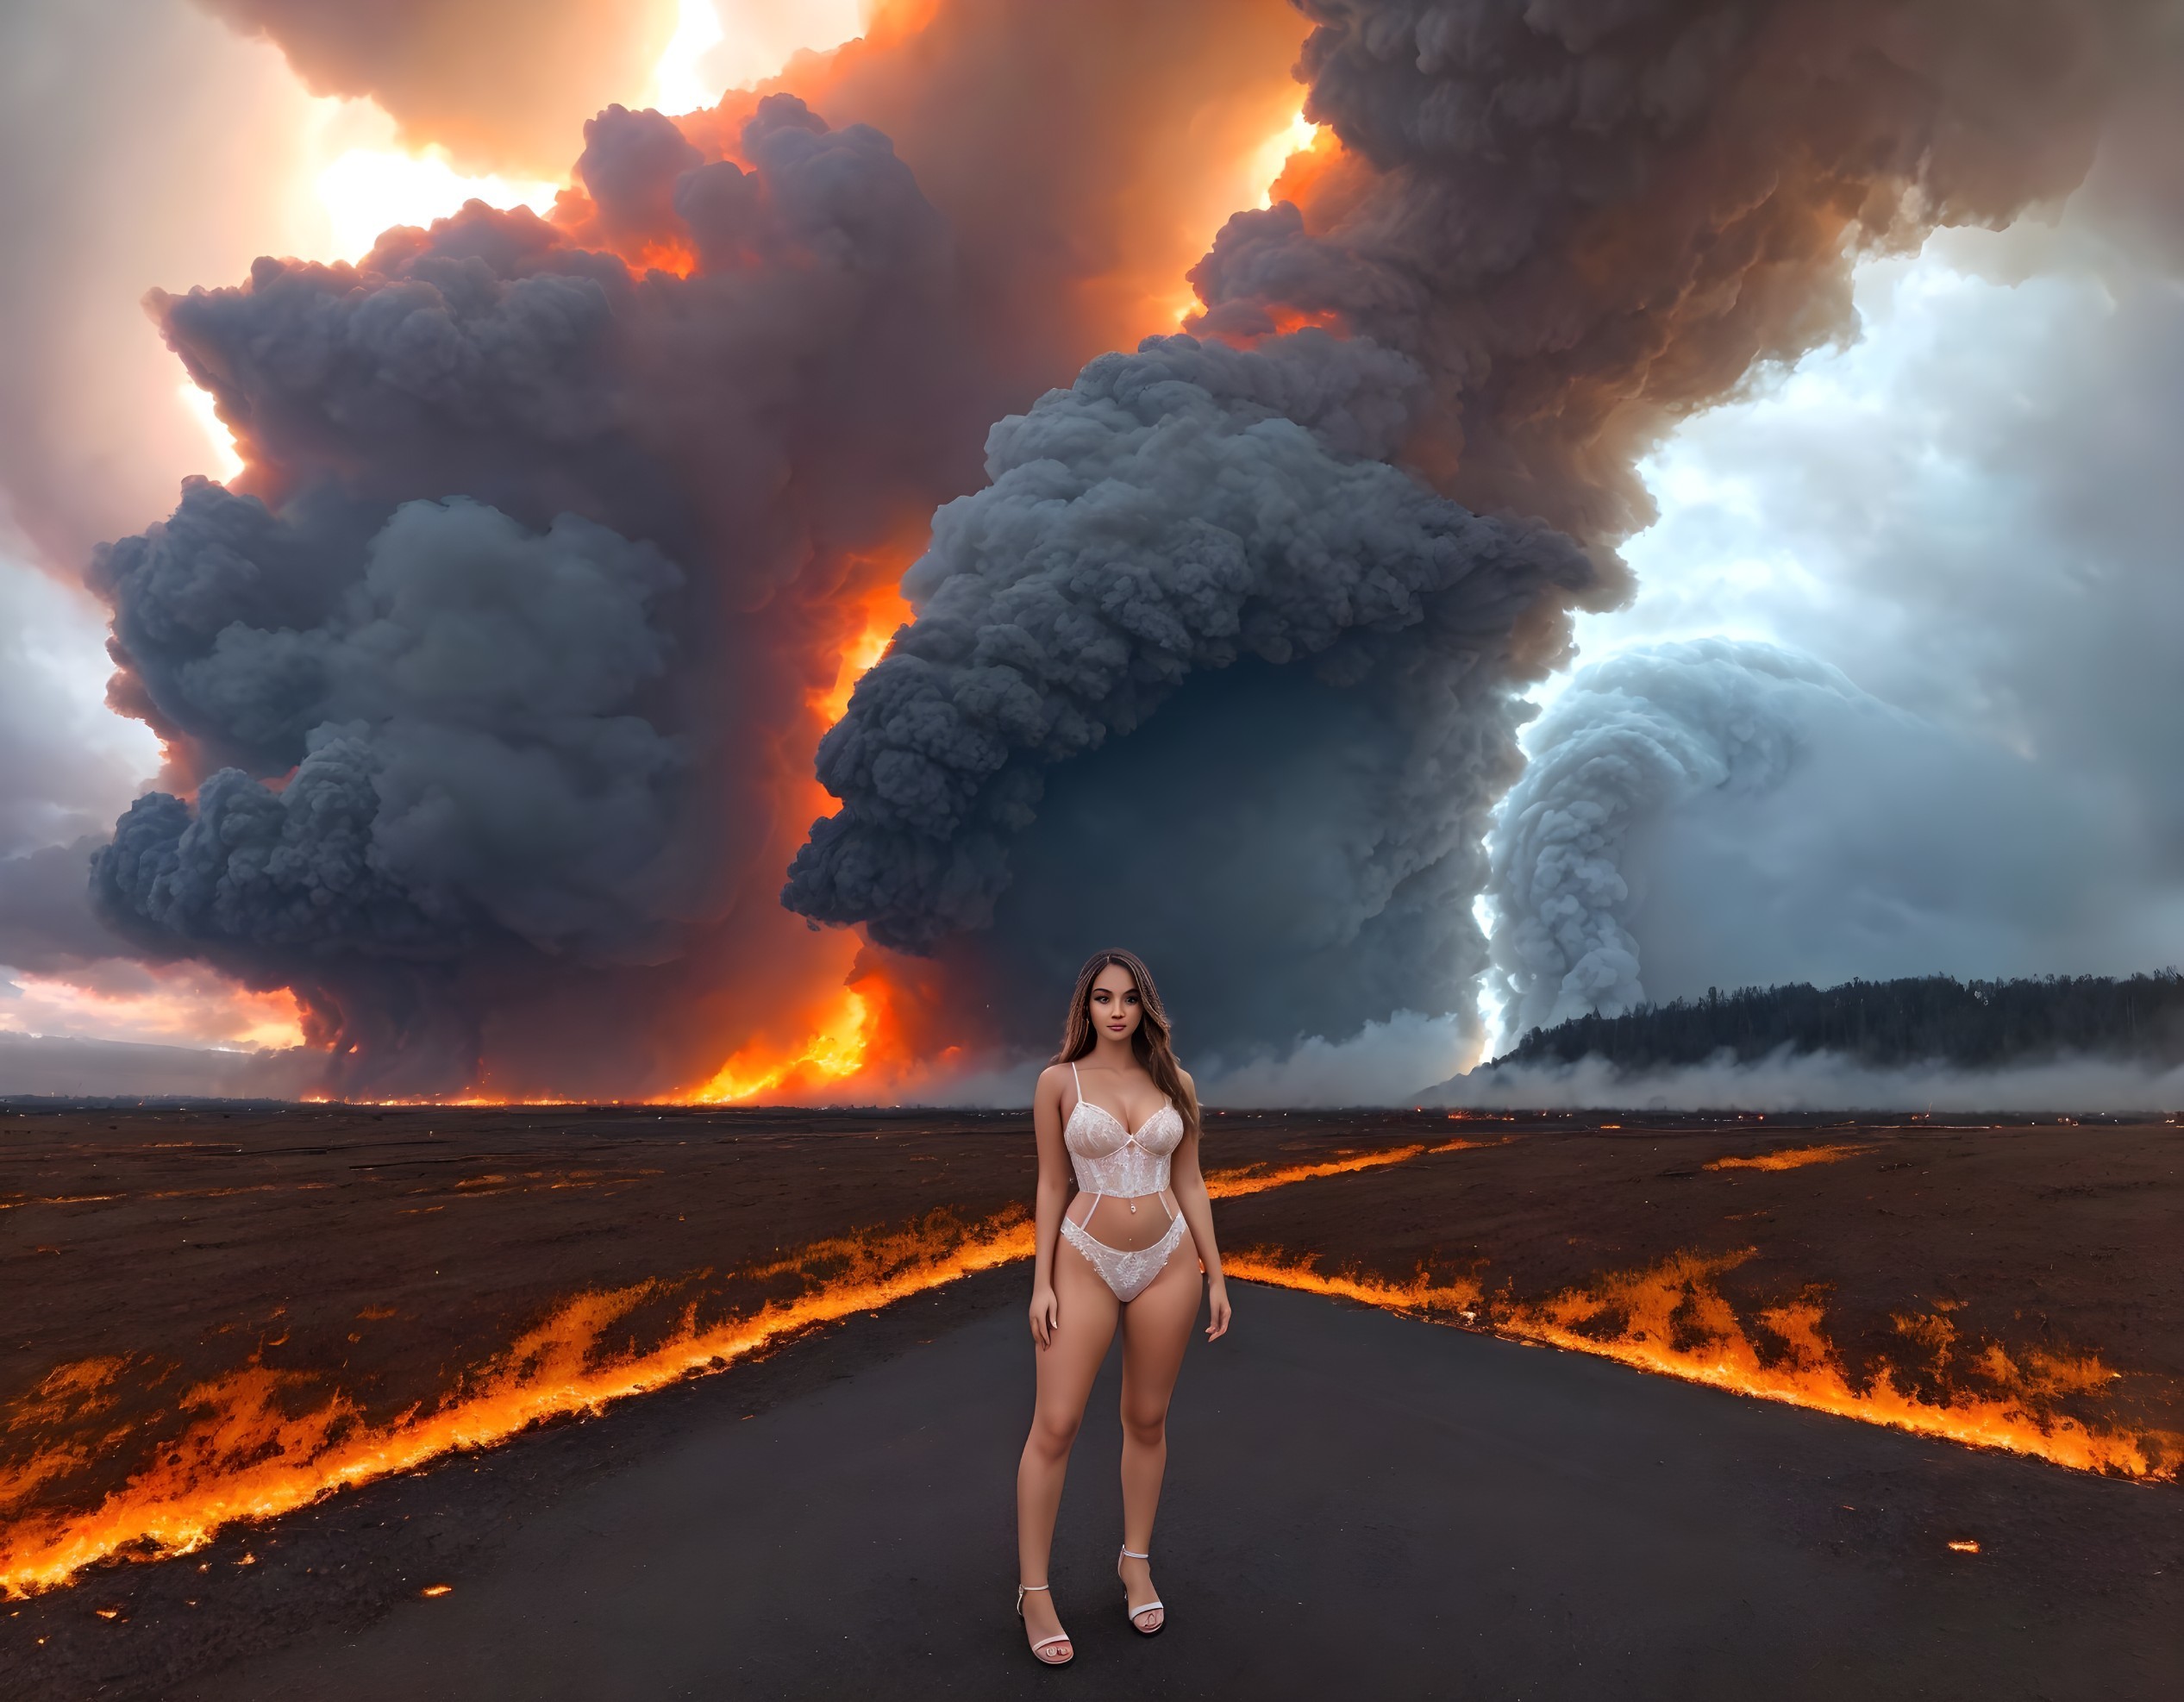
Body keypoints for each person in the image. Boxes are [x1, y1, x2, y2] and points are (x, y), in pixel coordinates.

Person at [1012, 948, 1231, 1667]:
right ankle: (1034, 1591)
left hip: (1169, 1258)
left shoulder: (1177, 1081)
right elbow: (1050, 1184)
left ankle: (1133, 1561)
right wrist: (1040, 1280)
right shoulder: (1058, 1081)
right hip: (1084, 1258)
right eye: (1102, 998)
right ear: (1085, 1008)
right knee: (1057, 1422)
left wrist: (1216, 1273)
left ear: (1145, 1008)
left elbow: (1191, 1182)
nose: (1115, 1010)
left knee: (1146, 1419)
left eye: (1128, 998)